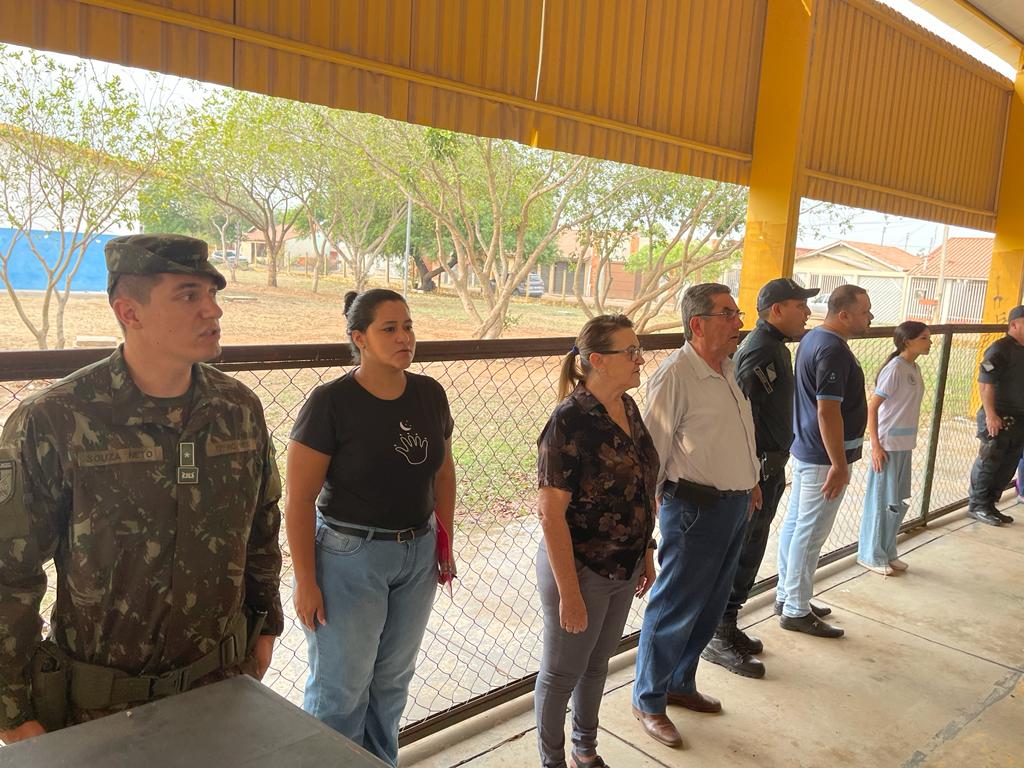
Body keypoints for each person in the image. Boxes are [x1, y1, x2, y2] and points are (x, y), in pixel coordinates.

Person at [0, 234, 283, 743]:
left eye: (212, 293)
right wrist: (12, 706)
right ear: (129, 312)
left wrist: (265, 625)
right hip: (99, 712)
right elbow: (8, 571)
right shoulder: (56, 420)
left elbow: (262, 524)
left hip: (219, 690)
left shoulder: (237, 410)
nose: (212, 309)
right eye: (188, 294)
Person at [286, 288, 456, 766]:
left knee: (391, 683)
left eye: (408, 327)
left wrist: (443, 539)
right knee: (341, 689)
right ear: (359, 337)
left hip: (417, 554)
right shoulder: (331, 403)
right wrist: (306, 580)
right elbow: (299, 501)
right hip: (349, 557)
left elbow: (443, 472)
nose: (404, 337)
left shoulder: (429, 394)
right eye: (389, 329)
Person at [631, 283, 761, 749]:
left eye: (737, 312)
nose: (738, 322)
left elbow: (736, 434)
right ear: (697, 324)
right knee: (674, 606)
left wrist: (752, 481)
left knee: (709, 605)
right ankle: (648, 699)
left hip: (734, 506)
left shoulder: (726, 369)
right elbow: (652, 455)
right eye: (728, 313)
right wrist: (648, 525)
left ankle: (680, 682)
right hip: (693, 511)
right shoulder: (675, 376)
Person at [535, 315, 659, 768]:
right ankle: (553, 761)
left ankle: (585, 749)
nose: (639, 359)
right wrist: (569, 593)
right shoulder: (569, 420)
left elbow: (644, 485)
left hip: (623, 566)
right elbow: (551, 515)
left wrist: (646, 552)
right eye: (630, 352)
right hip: (581, 569)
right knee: (562, 672)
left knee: (597, 664)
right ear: (596, 361)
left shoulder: (627, 407)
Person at [701, 278, 819, 680]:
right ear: (777, 310)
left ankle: (728, 624)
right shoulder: (761, 351)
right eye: (800, 305)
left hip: (768, 469)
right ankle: (717, 635)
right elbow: (739, 417)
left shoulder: (776, 348)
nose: (806, 313)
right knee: (741, 551)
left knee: (751, 548)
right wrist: (751, 473)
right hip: (755, 473)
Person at [776, 284, 872, 639]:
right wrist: (839, 464)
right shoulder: (831, 349)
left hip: (811, 451)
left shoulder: (815, 339)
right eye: (865, 312)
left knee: (798, 524)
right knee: (810, 531)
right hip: (823, 456)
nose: (869, 318)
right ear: (844, 314)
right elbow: (827, 411)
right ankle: (796, 610)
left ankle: (789, 596)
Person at [858, 322, 931, 574]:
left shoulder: (914, 367)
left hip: (905, 444)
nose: (929, 342)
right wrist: (876, 446)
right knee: (881, 501)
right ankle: (870, 553)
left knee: (895, 502)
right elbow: (873, 406)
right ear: (907, 341)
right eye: (924, 338)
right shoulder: (895, 369)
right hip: (888, 445)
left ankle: (888, 550)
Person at [966, 305, 1024, 527]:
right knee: (990, 459)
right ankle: (978, 504)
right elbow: (985, 383)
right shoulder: (999, 349)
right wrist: (991, 415)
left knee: (1008, 463)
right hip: (998, 415)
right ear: (1014, 325)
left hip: (1019, 417)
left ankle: (990, 503)